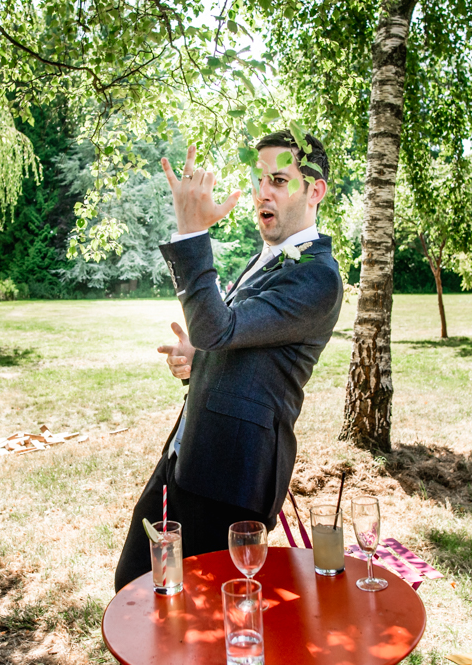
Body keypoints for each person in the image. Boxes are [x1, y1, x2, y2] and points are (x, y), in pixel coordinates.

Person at [114, 131, 343, 591]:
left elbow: (219, 328)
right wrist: (197, 358)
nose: (263, 192)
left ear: (314, 191)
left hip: (232, 478)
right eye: (260, 180)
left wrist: (192, 232)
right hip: (185, 457)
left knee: (203, 621)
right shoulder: (268, 259)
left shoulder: (317, 277)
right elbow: (231, 338)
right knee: (135, 586)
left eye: (279, 179)